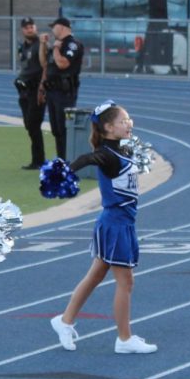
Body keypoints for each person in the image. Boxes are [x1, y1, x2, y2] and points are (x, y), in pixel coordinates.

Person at [49, 102, 157, 354]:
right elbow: (89, 157)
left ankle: (64, 321)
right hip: (115, 224)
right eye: (123, 121)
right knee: (125, 282)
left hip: (122, 223)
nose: (129, 123)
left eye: (129, 119)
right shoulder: (107, 154)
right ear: (108, 127)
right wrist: (66, 170)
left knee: (96, 274)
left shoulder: (122, 150)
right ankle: (124, 338)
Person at [42, 17, 84, 161]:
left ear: (61, 27)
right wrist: (44, 45)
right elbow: (45, 64)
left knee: (64, 129)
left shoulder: (72, 44)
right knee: (56, 129)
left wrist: (55, 48)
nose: (52, 30)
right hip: (52, 91)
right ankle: (61, 159)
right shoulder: (57, 45)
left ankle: (67, 161)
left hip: (64, 93)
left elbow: (62, 63)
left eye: (53, 27)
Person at [15, 17, 47, 170]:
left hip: (36, 90)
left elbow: (45, 66)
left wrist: (42, 88)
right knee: (29, 125)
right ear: (22, 30)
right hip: (24, 91)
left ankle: (39, 160)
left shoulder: (40, 45)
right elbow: (23, 65)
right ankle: (37, 159)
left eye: (31, 26)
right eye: (26, 27)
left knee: (34, 125)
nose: (29, 29)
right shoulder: (23, 47)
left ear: (35, 27)